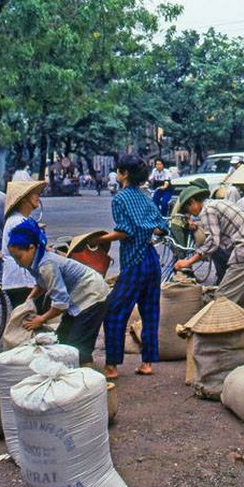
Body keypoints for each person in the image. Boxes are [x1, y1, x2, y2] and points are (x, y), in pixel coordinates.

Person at [100, 154, 169, 379]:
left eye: (119, 170)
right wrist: (145, 230)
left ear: (124, 174)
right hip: (151, 259)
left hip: (134, 261)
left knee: (114, 311)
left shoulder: (119, 199)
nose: (117, 174)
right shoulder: (146, 196)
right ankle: (147, 363)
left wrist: (101, 240)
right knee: (150, 312)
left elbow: (125, 231)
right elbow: (161, 227)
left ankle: (111, 366)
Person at [173, 186, 244, 343]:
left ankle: (222, 343)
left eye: (189, 209)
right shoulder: (217, 204)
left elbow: (212, 242)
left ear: (193, 202)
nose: (191, 213)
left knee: (223, 297)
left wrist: (188, 261)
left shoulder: (206, 210)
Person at [7, 218, 109, 366]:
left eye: (19, 257)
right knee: (61, 340)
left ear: (31, 247)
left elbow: (61, 304)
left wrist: (41, 319)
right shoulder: (35, 260)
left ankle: (87, 379)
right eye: (14, 258)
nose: (17, 262)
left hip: (92, 295)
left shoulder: (46, 265)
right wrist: (28, 301)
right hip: (78, 297)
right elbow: (42, 284)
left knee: (77, 347)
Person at [0, 179, 47, 307]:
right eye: (34, 193)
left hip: (25, 279)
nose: (38, 197)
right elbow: (30, 252)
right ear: (24, 199)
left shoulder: (26, 220)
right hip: (21, 280)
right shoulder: (17, 221)